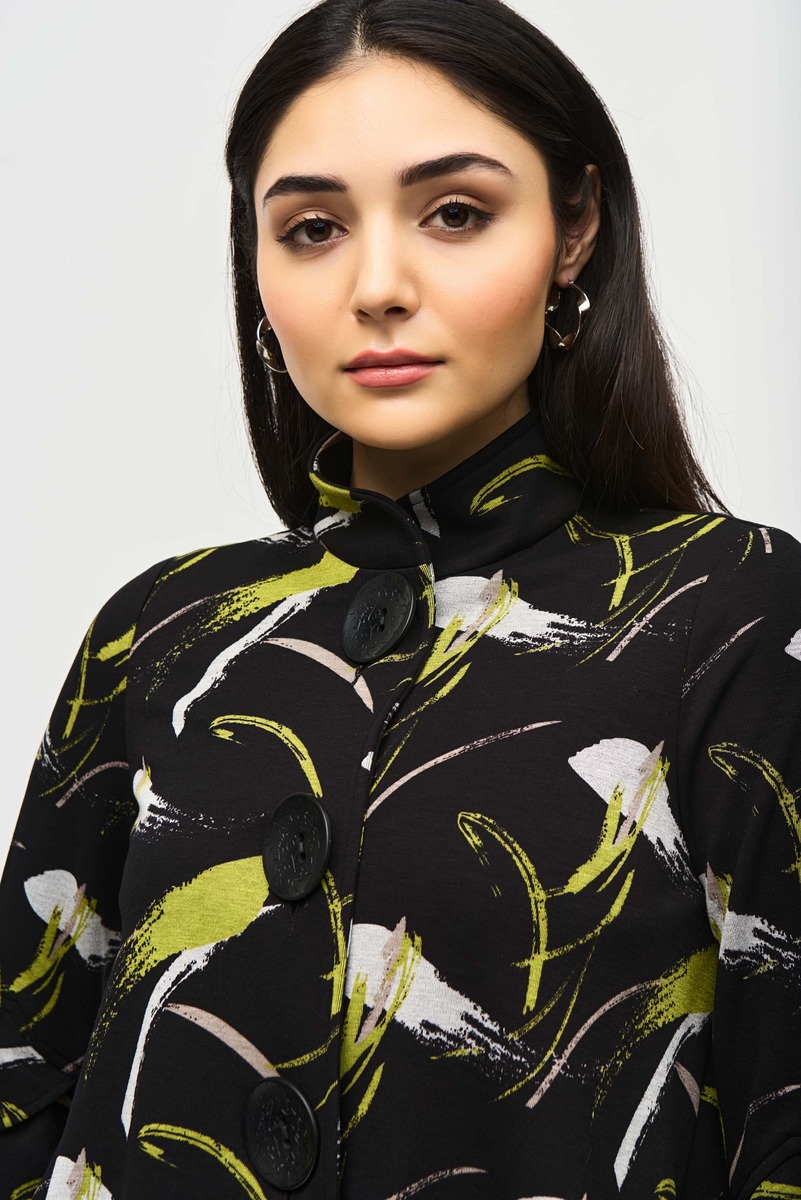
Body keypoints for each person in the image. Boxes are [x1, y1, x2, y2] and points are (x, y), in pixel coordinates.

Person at [2, 0, 799, 1195]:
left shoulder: (731, 614)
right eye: (313, 229)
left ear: (575, 228)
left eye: (456, 213)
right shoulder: (159, 634)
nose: (377, 285)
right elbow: (24, 1082)